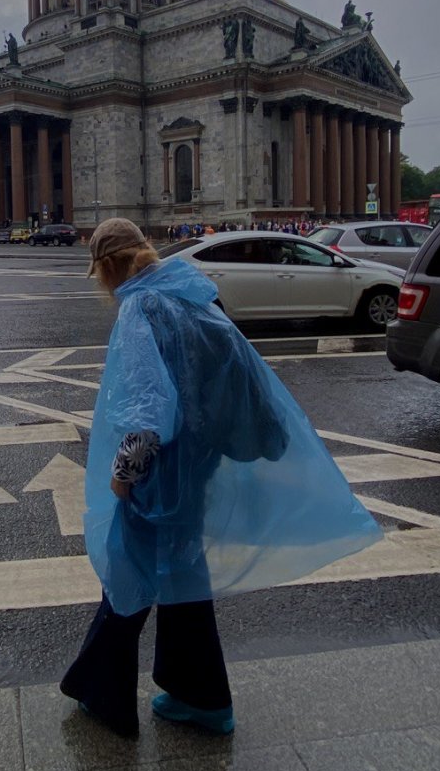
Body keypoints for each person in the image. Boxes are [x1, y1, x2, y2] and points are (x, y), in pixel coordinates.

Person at [60, 218, 382, 738]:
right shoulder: (190, 294)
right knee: (182, 571)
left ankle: (105, 695)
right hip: (198, 462)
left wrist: (125, 473)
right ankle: (201, 696)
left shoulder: (141, 307)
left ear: (108, 268)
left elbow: (148, 408)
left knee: (128, 574)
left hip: (160, 470)